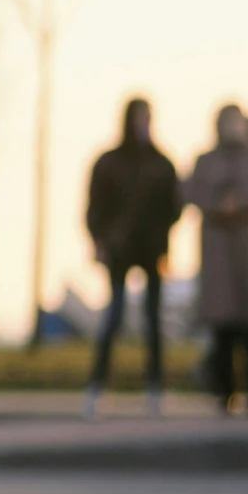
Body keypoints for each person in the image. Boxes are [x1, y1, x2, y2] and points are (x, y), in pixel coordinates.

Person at [82, 98, 181, 419]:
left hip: (151, 249)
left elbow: (173, 206)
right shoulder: (110, 162)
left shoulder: (161, 162)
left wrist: (164, 240)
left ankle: (155, 387)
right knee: (114, 315)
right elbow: (94, 206)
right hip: (119, 249)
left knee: (153, 321)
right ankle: (97, 386)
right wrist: (101, 240)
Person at [186, 105, 248, 414]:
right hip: (218, 254)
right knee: (222, 329)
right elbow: (190, 192)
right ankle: (224, 390)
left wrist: (242, 202)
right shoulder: (206, 160)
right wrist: (218, 203)